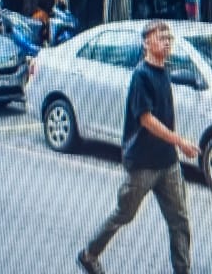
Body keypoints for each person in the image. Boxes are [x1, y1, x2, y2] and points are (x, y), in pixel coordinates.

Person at [77, 20, 199, 274]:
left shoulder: (164, 71)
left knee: (179, 221)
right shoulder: (141, 76)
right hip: (142, 164)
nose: (166, 42)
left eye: (169, 38)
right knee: (124, 214)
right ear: (146, 43)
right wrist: (180, 141)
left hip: (167, 163)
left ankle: (182, 269)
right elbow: (147, 120)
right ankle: (89, 254)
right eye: (160, 37)